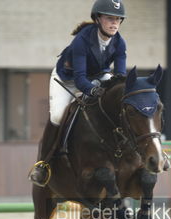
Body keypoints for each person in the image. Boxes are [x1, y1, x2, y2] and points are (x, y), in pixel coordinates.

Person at [28, 0, 127, 187]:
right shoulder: (82, 40)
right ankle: (44, 163)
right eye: (109, 18)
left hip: (97, 75)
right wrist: (94, 90)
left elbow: (120, 77)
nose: (114, 23)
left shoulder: (120, 43)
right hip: (68, 79)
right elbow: (80, 79)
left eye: (118, 19)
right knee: (57, 116)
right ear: (98, 19)